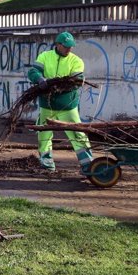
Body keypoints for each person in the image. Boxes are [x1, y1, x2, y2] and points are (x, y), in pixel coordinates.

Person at [27, 31, 93, 173]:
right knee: (43, 135)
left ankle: (88, 165)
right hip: (47, 105)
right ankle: (47, 165)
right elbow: (33, 71)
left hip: (67, 106)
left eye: (71, 46)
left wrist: (56, 86)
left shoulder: (76, 61)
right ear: (58, 45)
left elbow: (76, 81)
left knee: (78, 134)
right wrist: (39, 79)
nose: (69, 49)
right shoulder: (45, 56)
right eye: (66, 46)